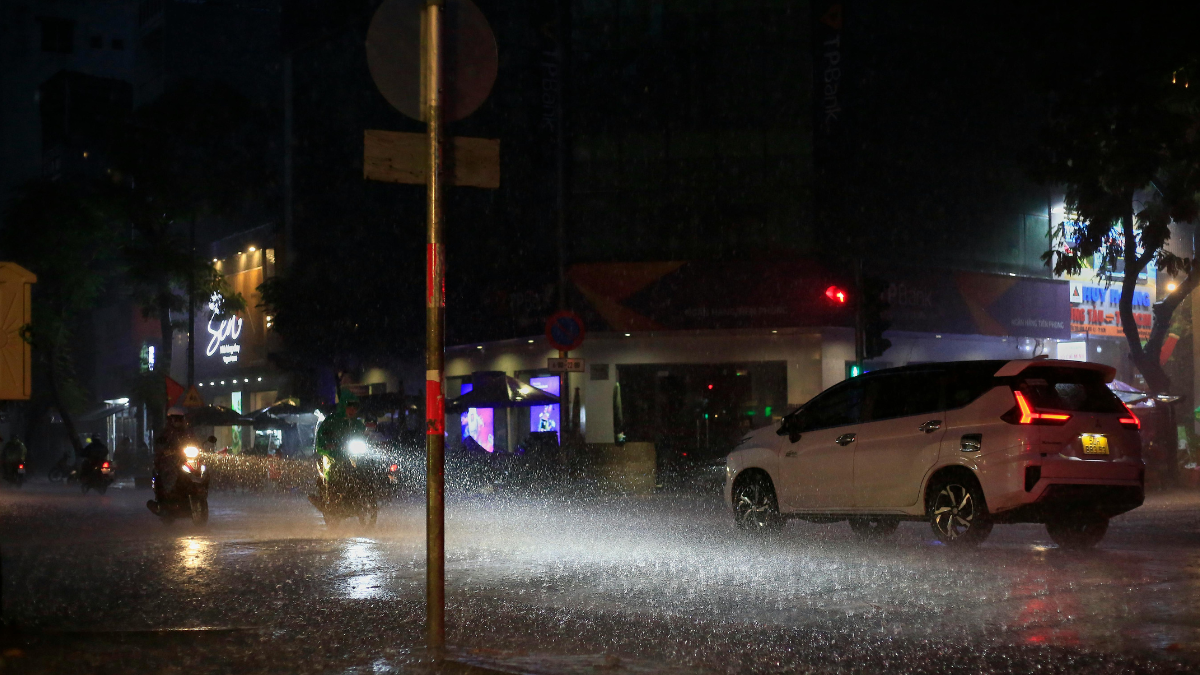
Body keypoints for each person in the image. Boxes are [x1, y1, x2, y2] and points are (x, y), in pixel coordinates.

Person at [310, 389, 366, 509]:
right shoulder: (331, 421)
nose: (352, 410)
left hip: (350, 456)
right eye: (349, 406)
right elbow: (322, 437)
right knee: (332, 472)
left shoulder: (358, 424)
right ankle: (329, 498)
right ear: (343, 406)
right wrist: (328, 446)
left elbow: (363, 438)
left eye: (355, 407)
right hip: (332, 456)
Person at [150, 408, 197, 508]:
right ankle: (167, 497)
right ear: (170, 420)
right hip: (169, 460)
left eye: (180, 419)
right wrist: (166, 450)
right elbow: (160, 443)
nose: (177, 421)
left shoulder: (187, 432)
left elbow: (194, 441)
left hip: (184, 459)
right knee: (170, 473)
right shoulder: (166, 432)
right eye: (175, 419)